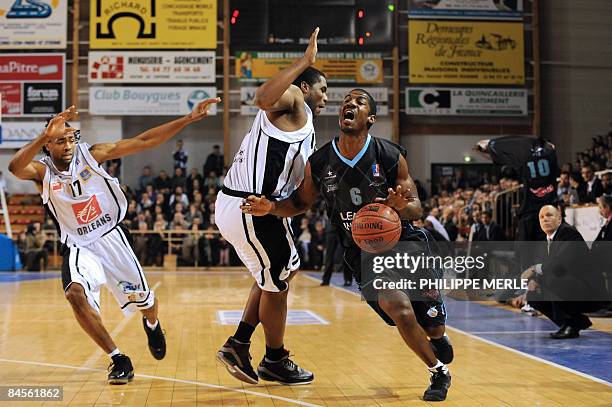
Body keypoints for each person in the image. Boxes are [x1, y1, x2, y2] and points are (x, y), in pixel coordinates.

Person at [243, 89, 453, 401]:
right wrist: (270, 207)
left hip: (405, 244)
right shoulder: (321, 161)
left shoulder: (390, 155)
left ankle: (437, 334)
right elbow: (299, 202)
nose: (349, 104)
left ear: (370, 118)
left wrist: (399, 207)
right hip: (363, 252)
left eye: (358, 102)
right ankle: (438, 372)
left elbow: (417, 209)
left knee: (431, 326)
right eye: (345, 102)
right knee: (400, 311)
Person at [8, 98, 219, 384]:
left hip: (111, 237)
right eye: (59, 141)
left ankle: (153, 323)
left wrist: (187, 120)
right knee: (74, 294)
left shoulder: (93, 154)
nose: (67, 145)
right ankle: (118, 358)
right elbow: (15, 167)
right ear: (48, 145)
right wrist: (44, 134)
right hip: (78, 245)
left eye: (71, 138)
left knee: (145, 301)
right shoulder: (43, 172)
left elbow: (144, 140)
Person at [214, 27, 328, 385]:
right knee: (277, 283)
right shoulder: (293, 98)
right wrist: (303, 63)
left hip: (256, 207)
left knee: (278, 275)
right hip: (250, 206)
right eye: (323, 89)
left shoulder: (304, 125)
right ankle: (275, 359)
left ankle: (240, 342)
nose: (327, 98)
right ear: (305, 87)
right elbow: (262, 97)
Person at [521, 205, 608, 339]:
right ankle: (574, 323)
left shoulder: (569, 234)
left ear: (559, 219)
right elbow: (546, 268)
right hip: (570, 286)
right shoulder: (544, 242)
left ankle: (572, 322)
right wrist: (534, 282)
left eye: (549, 215)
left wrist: (533, 270)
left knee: (552, 279)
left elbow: (560, 265)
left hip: (590, 292)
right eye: (542, 217)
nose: (545, 219)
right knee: (533, 296)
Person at [475, 136, 559, 241]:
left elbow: (498, 158)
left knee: (525, 247)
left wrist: (489, 146)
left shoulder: (524, 157)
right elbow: (551, 147)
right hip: (550, 207)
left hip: (531, 209)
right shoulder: (551, 154)